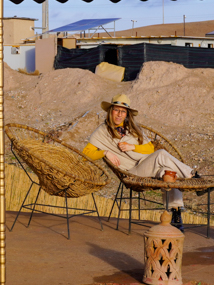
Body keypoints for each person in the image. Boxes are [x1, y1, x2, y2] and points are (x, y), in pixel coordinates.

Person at [83, 93, 194, 230]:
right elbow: (86, 154)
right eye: (116, 110)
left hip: (146, 164)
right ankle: (192, 176)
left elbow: (149, 148)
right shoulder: (101, 132)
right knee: (161, 154)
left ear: (127, 114)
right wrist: (105, 152)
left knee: (169, 173)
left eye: (123, 111)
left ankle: (176, 216)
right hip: (132, 172)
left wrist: (132, 146)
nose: (119, 114)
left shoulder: (133, 129)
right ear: (110, 111)